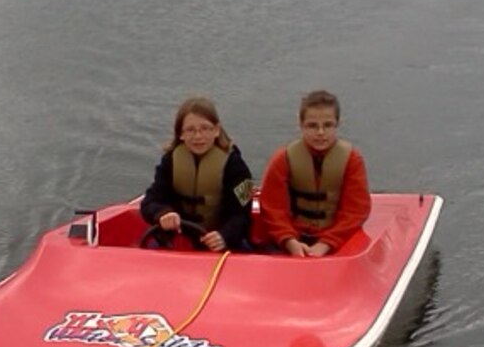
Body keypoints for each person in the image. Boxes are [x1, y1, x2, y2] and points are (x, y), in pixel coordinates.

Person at [256, 89, 371, 256]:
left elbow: (355, 211)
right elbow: (273, 209)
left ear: (338, 124)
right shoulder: (283, 159)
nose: (320, 133)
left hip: (336, 239)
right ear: (301, 125)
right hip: (292, 239)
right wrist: (289, 241)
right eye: (312, 126)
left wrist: (326, 244)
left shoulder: (352, 160)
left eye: (328, 125)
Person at [140, 96, 254, 252]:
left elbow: (242, 217)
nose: (198, 136)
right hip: (177, 239)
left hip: (221, 243)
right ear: (181, 134)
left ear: (216, 130)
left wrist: (224, 236)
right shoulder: (170, 162)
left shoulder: (235, 166)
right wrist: (163, 214)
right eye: (191, 130)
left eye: (205, 128)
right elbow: (150, 202)